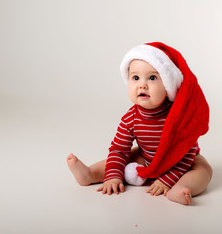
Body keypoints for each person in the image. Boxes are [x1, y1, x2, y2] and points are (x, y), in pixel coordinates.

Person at [67, 42, 213, 205]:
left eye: (152, 78)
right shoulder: (131, 118)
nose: (142, 84)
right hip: (148, 158)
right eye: (135, 78)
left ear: (167, 85)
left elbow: (187, 151)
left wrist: (168, 180)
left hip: (182, 161)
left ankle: (182, 188)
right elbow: (119, 149)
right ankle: (90, 174)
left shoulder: (178, 115)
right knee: (126, 157)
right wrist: (113, 176)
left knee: (203, 169)